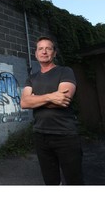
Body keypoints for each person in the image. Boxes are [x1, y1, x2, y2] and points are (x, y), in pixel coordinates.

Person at [20, 36, 83, 185]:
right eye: (40, 49)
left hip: (65, 135)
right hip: (41, 135)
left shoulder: (65, 71)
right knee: (51, 182)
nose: (44, 51)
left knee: (75, 181)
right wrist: (51, 97)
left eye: (48, 48)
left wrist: (36, 100)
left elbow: (63, 101)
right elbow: (24, 102)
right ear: (35, 54)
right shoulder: (32, 78)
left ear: (54, 53)